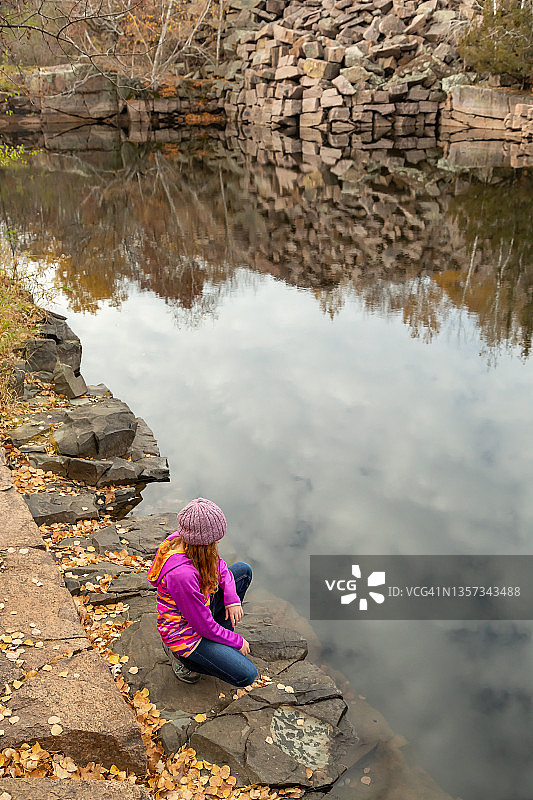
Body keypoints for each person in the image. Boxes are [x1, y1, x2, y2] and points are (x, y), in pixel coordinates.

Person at [147, 497, 257, 686]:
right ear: (205, 541)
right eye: (216, 539)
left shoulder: (188, 541)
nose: (219, 541)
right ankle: (182, 659)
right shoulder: (182, 575)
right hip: (186, 634)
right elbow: (203, 627)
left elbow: (220, 566)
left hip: (200, 609)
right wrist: (236, 641)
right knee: (246, 674)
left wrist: (232, 598)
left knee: (242, 571)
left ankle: (218, 643)